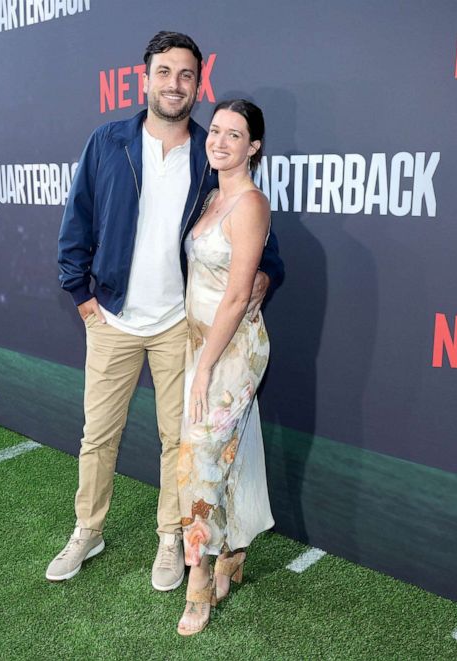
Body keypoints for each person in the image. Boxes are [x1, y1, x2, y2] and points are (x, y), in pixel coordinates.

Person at [51, 32, 284, 592]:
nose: (174, 84)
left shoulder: (211, 153)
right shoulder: (108, 142)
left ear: (197, 83)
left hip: (181, 329)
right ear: (145, 77)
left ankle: (169, 538)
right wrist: (82, 298)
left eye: (185, 75)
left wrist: (265, 275)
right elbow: (77, 222)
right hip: (112, 319)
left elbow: (260, 244)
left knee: (176, 443)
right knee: (97, 436)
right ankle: (87, 530)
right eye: (164, 72)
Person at [174, 99, 275, 635]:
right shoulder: (211, 196)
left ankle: (197, 580)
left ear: (253, 146)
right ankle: (234, 550)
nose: (219, 141)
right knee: (231, 455)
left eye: (234, 135)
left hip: (230, 352)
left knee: (200, 459)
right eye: (214, 131)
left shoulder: (250, 204)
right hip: (201, 345)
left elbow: (237, 298)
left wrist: (205, 369)